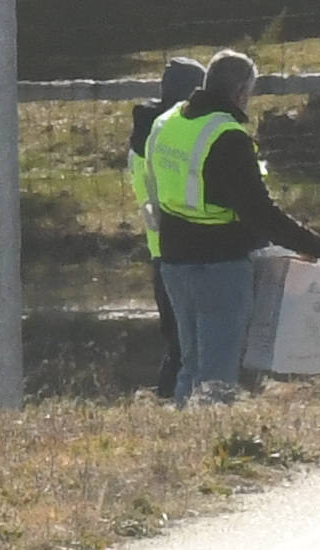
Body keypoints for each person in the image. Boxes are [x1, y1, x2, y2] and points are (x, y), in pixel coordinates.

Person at [145, 49, 320, 407]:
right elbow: (260, 213)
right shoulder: (229, 137)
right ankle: (208, 446)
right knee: (217, 374)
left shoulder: (167, 123)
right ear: (240, 93)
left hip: (172, 261)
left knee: (191, 365)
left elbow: (153, 184)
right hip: (219, 266)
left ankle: (185, 433)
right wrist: (316, 246)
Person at [129, 56, 206, 399]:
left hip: (160, 249)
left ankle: (171, 402)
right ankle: (170, 402)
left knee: (178, 339)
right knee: (186, 343)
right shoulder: (171, 136)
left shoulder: (145, 131)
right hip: (183, 249)